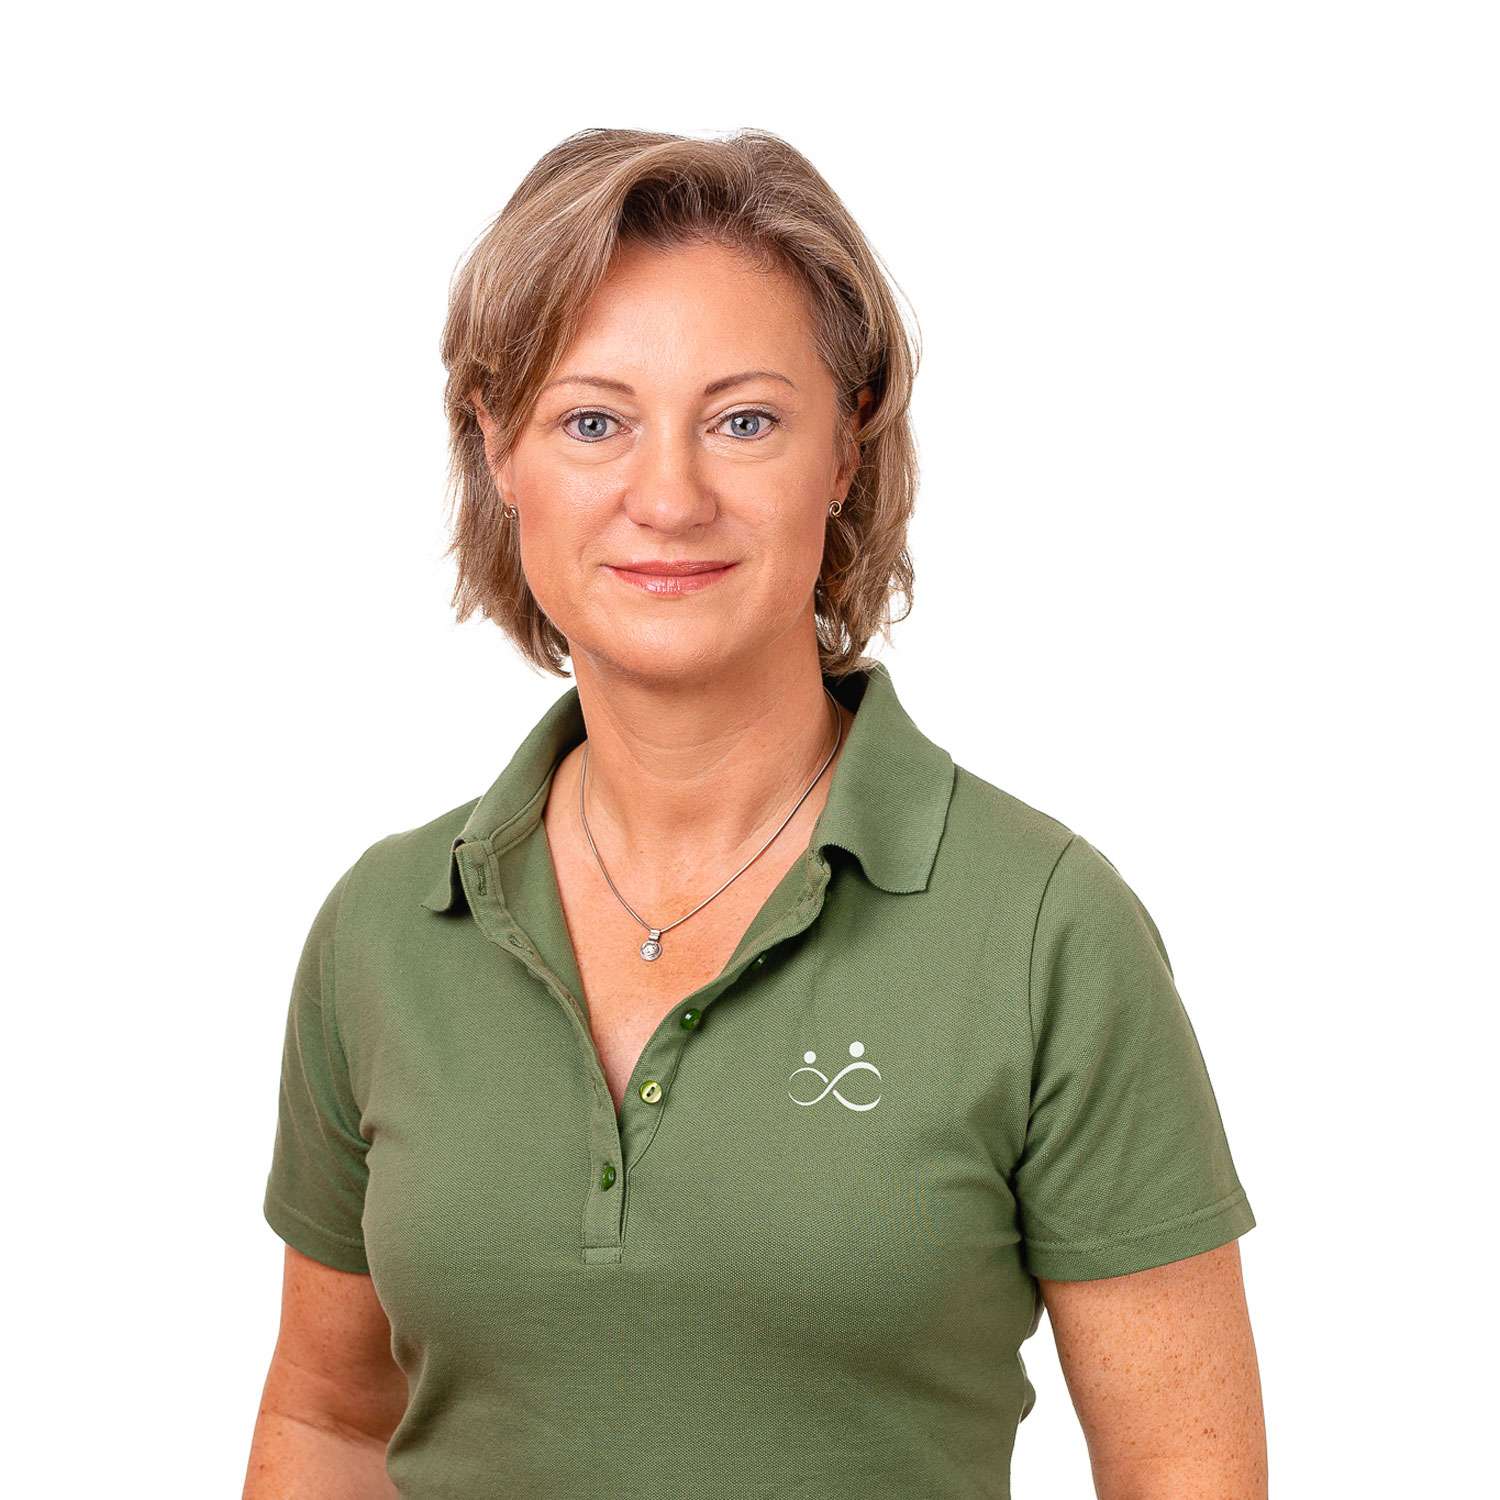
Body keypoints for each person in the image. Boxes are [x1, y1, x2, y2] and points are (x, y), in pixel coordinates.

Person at [244, 127, 1265, 1500]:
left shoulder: (1042, 930)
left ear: (846, 448)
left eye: (744, 421)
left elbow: (1184, 1472)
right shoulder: (385, 928)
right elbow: (328, 1423)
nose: (668, 498)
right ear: (497, 449)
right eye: (593, 421)